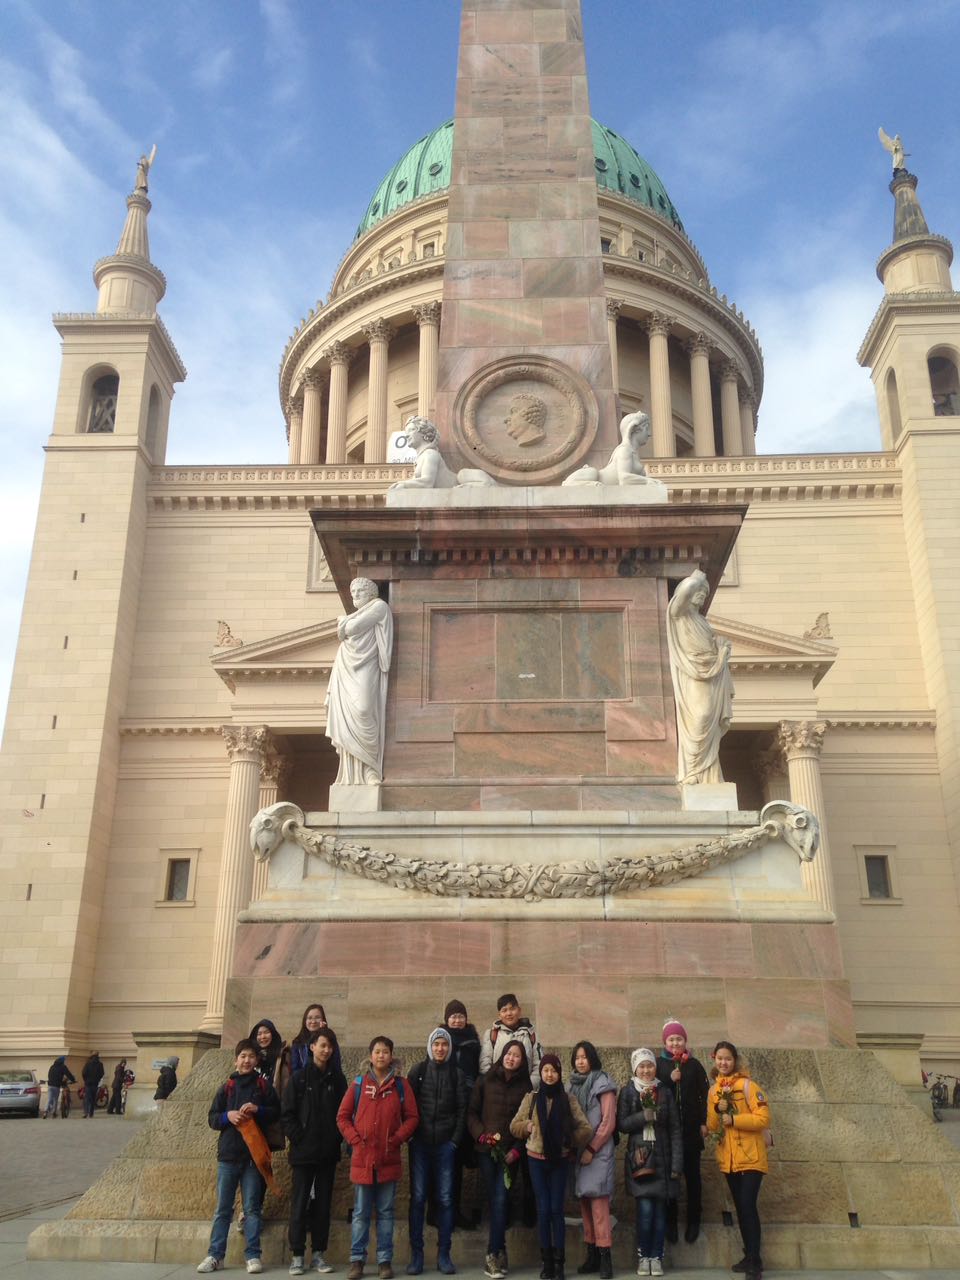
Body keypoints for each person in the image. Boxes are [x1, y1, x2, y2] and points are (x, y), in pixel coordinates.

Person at [337, 1035, 420, 1280]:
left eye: (385, 1051)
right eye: (377, 1051)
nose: (381, 1055)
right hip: (363, 1159)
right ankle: (357, 1261)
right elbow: (342, 1117)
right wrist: (354, 1140)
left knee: (386, 1212)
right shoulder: (359, 1084)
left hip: (388, 1158)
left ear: (391, 1056)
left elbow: (412, 1118)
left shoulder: (401, 1085)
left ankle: (385, 1261)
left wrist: (397, 1138)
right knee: (361, 1213)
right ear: (370, 1055)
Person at [197, 1038, 281, 1275]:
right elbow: (212, 1118)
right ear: (236, 1060)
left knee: (252, 1209)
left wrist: (258, 1110)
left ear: (256, 1061)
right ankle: (215, 1255)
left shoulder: (264, 1087)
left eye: (251, 1056)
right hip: (228, 1156)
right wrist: (228, 1116)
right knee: (223, 1209)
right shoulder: (226, 1087)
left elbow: (276, 1112)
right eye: (243, 1056)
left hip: (253, 1157)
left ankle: (253, 1255)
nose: (246, 1060)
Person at [511, 1054, 592, 1280]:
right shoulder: (532, 1098)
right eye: (546, 1070)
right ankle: (546, 1262)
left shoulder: (568, 1099)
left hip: (559, 1161)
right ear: (541, 1073)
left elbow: (586, 1129)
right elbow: (514, 1126)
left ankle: (559, 1263)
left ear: (559, 1073)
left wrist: (569, 1139)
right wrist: (527, 1127)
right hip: (536, 1160)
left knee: (556, 1210)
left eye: (553, 1071)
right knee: (543, 1210)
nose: (549, 1075)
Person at [282, 1026, 348, 1277]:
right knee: (299, 1204)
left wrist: (336, 1139)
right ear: (312, 1047)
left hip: (327, 1154)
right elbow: (287, 1114)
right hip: (303, 1154)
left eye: (330, 1046)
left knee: (323, 1206)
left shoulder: (338, 1079)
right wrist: (299, 1138)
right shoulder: (299, 1078)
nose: (326, 1050)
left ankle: (319, 1253)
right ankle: (297, 1255)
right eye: (322, 1045)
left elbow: (344, 1114)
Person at [406, 1027, 470, 1275]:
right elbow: (408, 1106)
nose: (440, 1048)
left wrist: (454, 1141)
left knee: (445, 1199)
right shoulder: (418, 1071)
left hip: (445, 1145)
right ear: (430, 1047)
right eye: (436, 1044)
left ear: (449, 1047)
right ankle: (417, 1255)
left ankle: (444, 1253)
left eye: (444, 1044)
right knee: (418, 1198)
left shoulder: (457, 1074)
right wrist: (411, 1136)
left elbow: (462, 1110)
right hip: (420, 1144)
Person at [705, 1041, 770, 1280]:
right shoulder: (713, 1090)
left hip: (751, 1157)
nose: (723, 1063)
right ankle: (750, 1255)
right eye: (720, 1058)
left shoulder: (748, 1086)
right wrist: (716, 1109)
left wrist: (735, 1119)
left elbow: (763, 1118)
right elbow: (713, 1127)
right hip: (730, 1158)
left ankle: (755, 1262)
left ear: (734, 1060)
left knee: (748, 1206)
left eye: (728, 1058)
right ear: (715, 1059)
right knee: (741, 1209)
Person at [467, 1039, 531, 1280]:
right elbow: (471, 1113)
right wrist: (480, 1135)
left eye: (517, 1055)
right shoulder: (485, 1080)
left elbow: (528, 1124)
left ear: (522, 1061)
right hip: (486, 1150)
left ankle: (495, 1253)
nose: (511, 1058)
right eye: (508, 1054)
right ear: (502, 1055)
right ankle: (496, 1253)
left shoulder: (525, 1087)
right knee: (497, 1199)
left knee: (501, 1199)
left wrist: (517, 1150)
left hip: (510, 1153)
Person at [617, 1048, 682, 1278]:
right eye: (642, 1066)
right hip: (640, 1159)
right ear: (635, 1068)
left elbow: (675, 1129)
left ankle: (657, 1256)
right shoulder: (628, 1091)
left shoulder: (664, 1091)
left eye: (649, 1065)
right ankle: (644, 1256)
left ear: (655, 1067)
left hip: (663, 1157)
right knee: (645, 1212)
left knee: (660, 1214)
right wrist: (642, 1116)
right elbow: (622, 1124)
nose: (646, 1070)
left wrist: (677, 1164)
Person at [666, 568, 734, 785]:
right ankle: (692, 770)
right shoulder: (680, 615)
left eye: (705, 593)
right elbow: (684, 592)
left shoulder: (702, 621)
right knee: (700, 717)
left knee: (710, 725)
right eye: (700, 592)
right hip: (693, 672)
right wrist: (698, 578)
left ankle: (707, 774)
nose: (703, 595)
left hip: (712, 672)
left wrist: (721, 651)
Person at [325, 577, 394, 786]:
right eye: (353, 592)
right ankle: (355, 774)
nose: (355, 595)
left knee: (364, 710)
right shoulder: (360, 613)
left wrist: (344, 622)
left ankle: (370, 767)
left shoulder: (379, 607)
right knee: (348, 715)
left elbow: (351, 628)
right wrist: (346, 623)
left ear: (371, 594)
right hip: (346, 666)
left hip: (366, 666)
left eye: (360, 592)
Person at [654, 1019, 710, 1245]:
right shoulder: (659, 1064)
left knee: (693, 1177)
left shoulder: (694, 1065)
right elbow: (653, 1092)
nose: (675, 1043)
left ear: (685, 1041)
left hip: (690, 1131)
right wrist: (669, 1080)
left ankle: (694, 1220)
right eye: (671, 1039)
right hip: (667, 1133)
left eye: (679, 1039)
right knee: (670, 1177)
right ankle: (671, 1221)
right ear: (665, 1042)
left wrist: (704, 1122)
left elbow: (705, 1094)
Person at [568, 1042, 618, 1279]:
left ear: (592, 1059)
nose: (580, 1061)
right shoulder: (571, 1085)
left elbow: (608, 1122)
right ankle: (592, 1256)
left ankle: (606, 1257)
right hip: (578, 1151)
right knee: (585, 1204)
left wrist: (591, 1148)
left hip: (598, 1151)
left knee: (599, 1206)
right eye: (577, 1057)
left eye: (584, 1057)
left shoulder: (603, 1083)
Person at [444, 1000, 482, 1230]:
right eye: (453, 1016)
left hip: (466, 1108)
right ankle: (439, 1212)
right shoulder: (440, 1041)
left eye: (461, 1016)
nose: (457, 1020)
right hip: (444, 1108)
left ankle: (455, 1211)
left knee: (458, 1163)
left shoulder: (474, 1043)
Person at [479, 994, 542, 1087]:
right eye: (504, 1010)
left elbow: (539, 1065)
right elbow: (484, 1064)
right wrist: (495, 1086)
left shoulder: (531, 1035)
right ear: (499, 1015)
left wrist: (528, 1086)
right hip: (498, 1089)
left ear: (519, 1010)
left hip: (524, 1090)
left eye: (512, 1009)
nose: (509, 1013)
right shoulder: (491, 1034)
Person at [249, 1018, 284, 1087]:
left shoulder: (282, 1055)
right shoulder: (250, 1057)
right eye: (259, 1034)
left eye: (266, 1032)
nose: (263, 1037)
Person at [81, 1051, 105, 1117]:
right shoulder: (100, 1064)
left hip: (88, 1083)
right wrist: (98, 1079)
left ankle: (86, 1112)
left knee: (87, 1098)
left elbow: (83, 1073)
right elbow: (102, 1073)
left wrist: (85, 1080)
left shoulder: (88, 1063)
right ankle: (91, 1113)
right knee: (93, 1098)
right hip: (95, 1083)